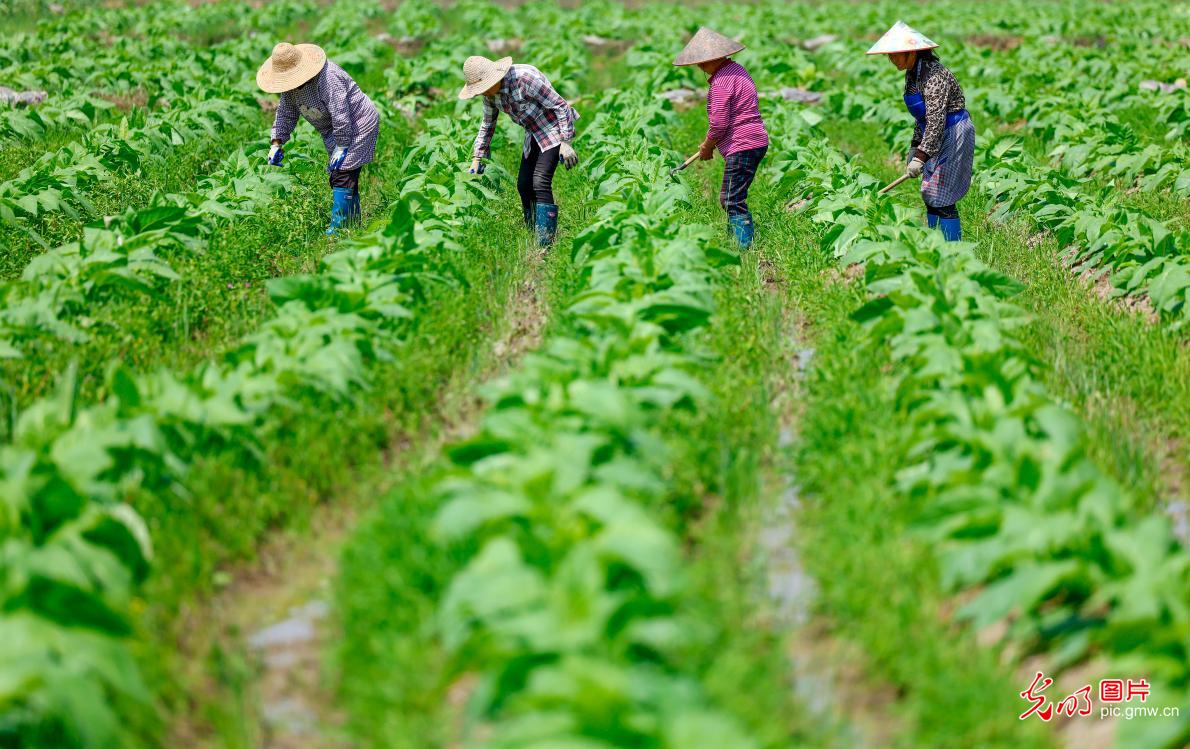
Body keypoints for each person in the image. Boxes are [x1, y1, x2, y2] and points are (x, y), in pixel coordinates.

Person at [257, 42, 380, 235]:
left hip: (358, 123)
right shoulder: (290, 89)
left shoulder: (328, 78)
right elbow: (285, 114)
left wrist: (342, 145)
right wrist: (276, 143)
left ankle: (339, 229)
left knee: (342, 173)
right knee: (340, 175)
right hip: (334, 130)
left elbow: (341, 114)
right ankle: (352, 223)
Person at [868, 21, 975, 241]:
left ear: (912, 53)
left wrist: (921, 156)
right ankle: (936, 242)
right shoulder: (912, 75)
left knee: (941, 195)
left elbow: (936, 120)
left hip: (953, 132)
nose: (892, 60)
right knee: (930, 194)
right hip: (934, 134)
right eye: (889, 56)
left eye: (895, 55)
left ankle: (952, 248)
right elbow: (922, 117)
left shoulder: (934, 76)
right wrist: (915, 147)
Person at [459, 55, 579, 246]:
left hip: (553, 127)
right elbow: (487, 124)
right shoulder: (490, 96)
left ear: (494, 78)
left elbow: (561, 106)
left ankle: (546, 242)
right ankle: (533, 232)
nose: (483, 93)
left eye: (483, 88)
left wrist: (566, 142)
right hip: (533, 131)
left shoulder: (524, 80)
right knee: (524, 184)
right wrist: (477, 157)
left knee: (540, 181)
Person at [674, 27, 769, 249]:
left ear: (716, 58)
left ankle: (743, 247)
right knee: (733, 196)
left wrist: (707, 146)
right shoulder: (737, 71)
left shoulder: (721, 83)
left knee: (731, 199)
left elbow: (719, 124)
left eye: (703, 62)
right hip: (755, 140)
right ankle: (735, 238)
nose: (700, 66)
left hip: (743, 143)